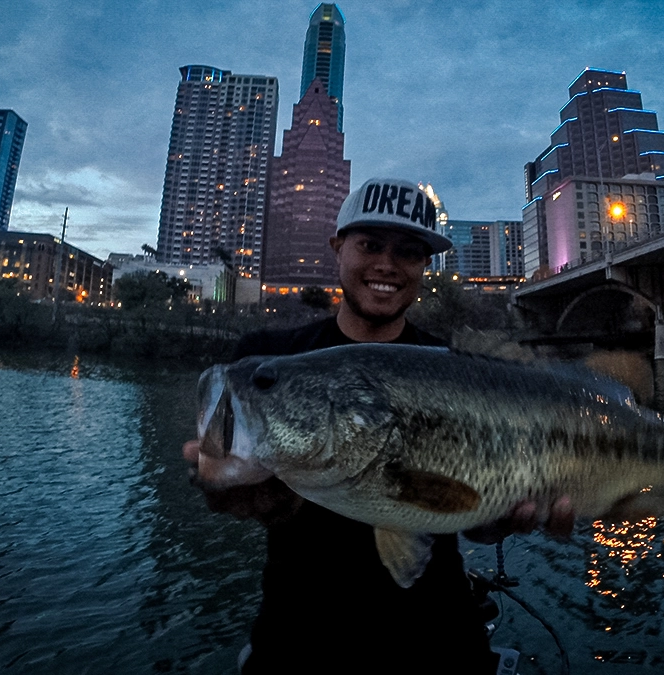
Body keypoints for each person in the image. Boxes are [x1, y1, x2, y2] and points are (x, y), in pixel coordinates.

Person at [183, 178, 573, 674]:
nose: (387, 264)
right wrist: (221, 483)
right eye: (370, 245)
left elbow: (474, 521)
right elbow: (222, 485)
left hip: (439, 641)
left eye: (409, 252)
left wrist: (503, 516)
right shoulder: (268, 361)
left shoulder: (456, 366)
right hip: (298, 639)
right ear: (337, 247)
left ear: (423, 267)